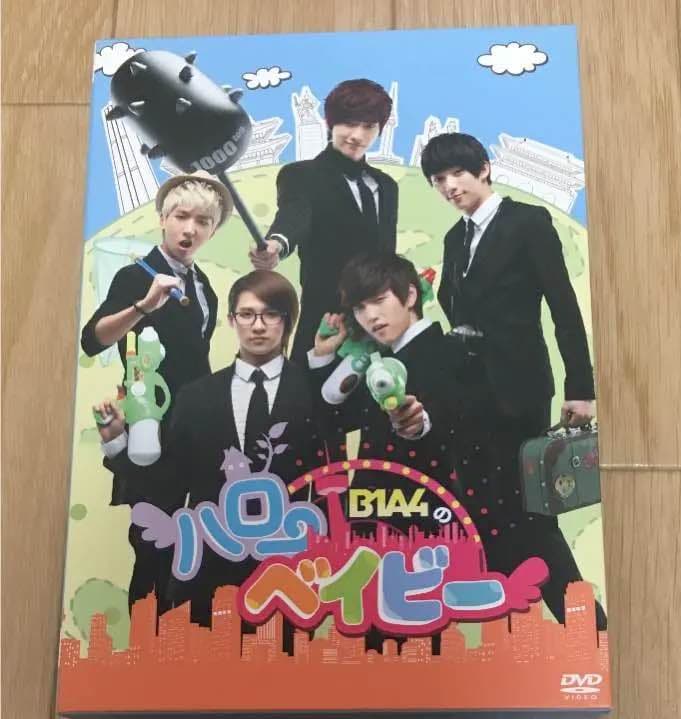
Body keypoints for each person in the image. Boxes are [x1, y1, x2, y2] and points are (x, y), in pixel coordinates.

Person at [420, 132, 606, 630]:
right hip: (468, 395)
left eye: (458, 173)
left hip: (518, 390)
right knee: (482, 511)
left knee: (529, 511)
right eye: (439, 179)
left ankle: (588, 628)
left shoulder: (528, 222)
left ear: (483, 168)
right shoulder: (454, 240)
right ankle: (514, 634)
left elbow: (564, 308)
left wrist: (581, 389)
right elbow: (460, 314)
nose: (449, 186)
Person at [95, 271, 324, 643]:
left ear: (288, 321)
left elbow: (328, 483)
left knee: (284, 673)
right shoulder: (196, 396)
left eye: (271, 314)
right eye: (247, 314)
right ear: (232, 320)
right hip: (208, 573)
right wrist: (117, 441)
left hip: (288, 574)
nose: (258, 326)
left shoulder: (314, 394)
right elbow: (167, 486)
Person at [83, 170, 232, 610]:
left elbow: (198, 359)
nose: (190, 229)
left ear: (212, 231)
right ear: (162, 219)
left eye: (202, 221)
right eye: (181, 216)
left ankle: (181, 639)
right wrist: (143, 306)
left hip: (195, 430)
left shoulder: (204, 287)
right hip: (150, 425)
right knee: (151, 542)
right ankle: (147, 642)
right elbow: (93, 340)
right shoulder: (135, 276)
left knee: (191, 542)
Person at [309, 253, 471, 653]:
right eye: (360, 308)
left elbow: (442, 418)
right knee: (372, 639)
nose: (370, 316)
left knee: (416, 639)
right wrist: (324, 354)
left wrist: (416, 423)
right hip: (371, 517)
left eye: (379, 301)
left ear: (411, 295)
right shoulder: (378, 360)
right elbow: (328, 419)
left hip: (420, 520)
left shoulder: (447, 352)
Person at [250, 79, 399, 364]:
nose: (357, 135)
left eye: (369, 126)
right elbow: (294, 215)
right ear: (330, 123)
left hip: (379, 329)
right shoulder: (301, 175)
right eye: (349, 124)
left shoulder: (387, 186)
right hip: (325, 323)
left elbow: (387, 256)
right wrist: (277, 244)